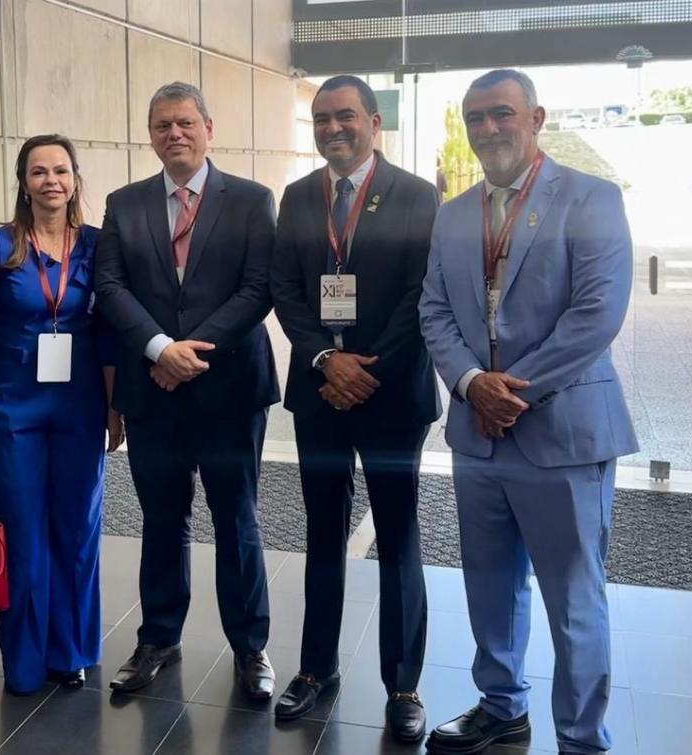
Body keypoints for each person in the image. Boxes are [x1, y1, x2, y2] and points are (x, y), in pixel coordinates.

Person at [418, 69, 637, 755]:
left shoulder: (591, 198)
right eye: (475, 118)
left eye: (501, 114)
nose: (487, 129)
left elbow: (596, 314)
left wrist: (507, 390)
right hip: (477, 439)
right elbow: (432, 309)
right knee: (488, 582)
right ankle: (501, 706)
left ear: (535, 118)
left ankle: (580, 737)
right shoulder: (452, 213)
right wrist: (468, 382)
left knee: (573, 599)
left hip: (561, 432)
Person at [95, 82, 279, 700]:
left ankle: (250, 648)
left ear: (208, 126)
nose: (173, 134)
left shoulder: (253, 200)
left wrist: (189, 351)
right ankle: (158, 638)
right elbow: (111, 287)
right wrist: (157, 349)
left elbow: (259, 289)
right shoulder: (124, 204)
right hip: (153, 391)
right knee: (162, 521)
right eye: (160, 126)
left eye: (184, 123)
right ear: (149, 136)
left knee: (238, 521)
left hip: (227, 390)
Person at [269, 74, 440, 740]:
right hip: (319, 390)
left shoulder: (418, 195)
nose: (332, 129)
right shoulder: (297, 196)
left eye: (344, 117)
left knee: (396, 537)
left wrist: (367, 366)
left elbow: (421, 294)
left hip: (391, 392)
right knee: (320, 531)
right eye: (320, 119)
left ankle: (402, 683)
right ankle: (315, 669)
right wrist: (323, 359)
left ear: (373, 122)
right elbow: (283, 288)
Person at [0, 134, 123, 695]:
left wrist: (113, 407)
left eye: (61, 170)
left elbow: (108, 331)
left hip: (81, 404)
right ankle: (26, 662)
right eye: (39, 172)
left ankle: (72, 651)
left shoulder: (101, 246)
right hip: (12, 408)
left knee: (77, 530)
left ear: (76, 179)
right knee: (25, 533)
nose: (51, 181)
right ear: (23, 182)